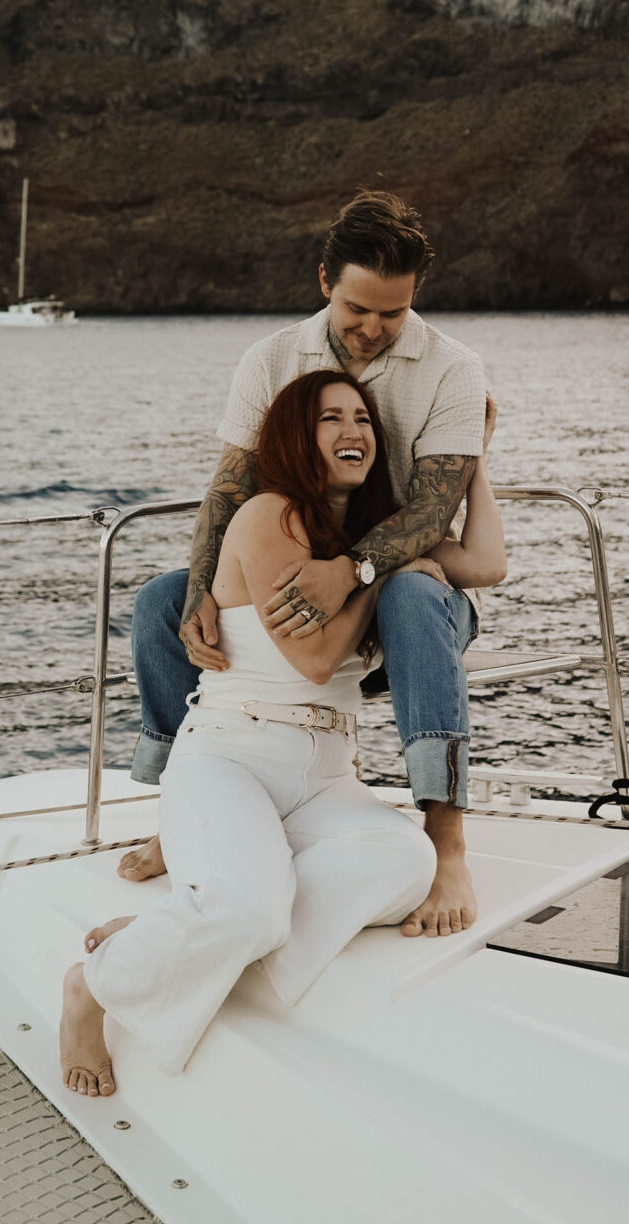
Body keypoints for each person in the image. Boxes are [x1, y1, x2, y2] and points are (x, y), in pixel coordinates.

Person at [60, 368, 505, 1096]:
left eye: (362, 419)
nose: (353, 432)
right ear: (298, 437)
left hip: (324, 775)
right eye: (331, 419)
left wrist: (473, 455)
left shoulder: (370, 534)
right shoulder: (270, 515)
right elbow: (314, 659)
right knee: (248, 909)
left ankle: (171, 936)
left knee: (406, 864)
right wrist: (381, 576)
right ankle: (93, 987)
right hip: (232, 753)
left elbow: (487, 563)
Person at [122, 190, 497, 937]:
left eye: (392, 312)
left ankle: (445, 834)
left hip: (405, 599)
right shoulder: (271, 359)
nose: (373, 328)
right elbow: (229, 485)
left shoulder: (452, 369)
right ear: (324, 280)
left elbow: (430, 514)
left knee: (413, 601)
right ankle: (181, 812)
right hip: (304, 571)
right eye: (359, 307)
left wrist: (355, 570)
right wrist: (201, 587)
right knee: (159, 603)